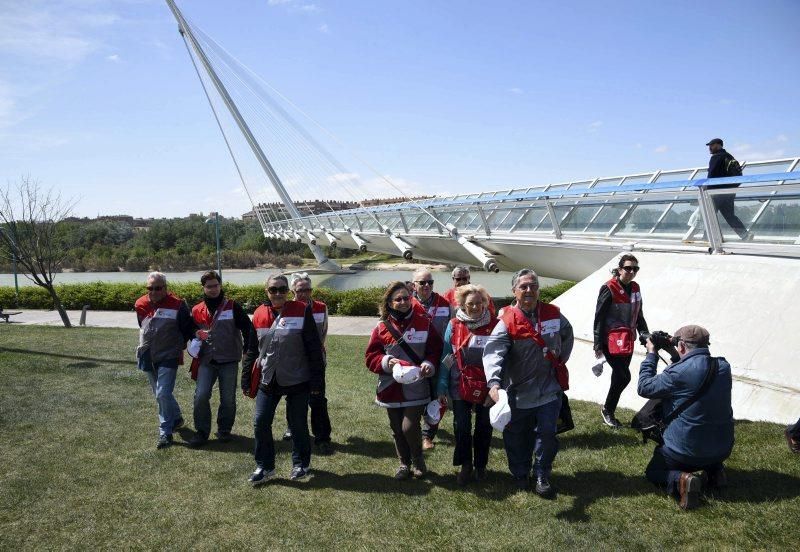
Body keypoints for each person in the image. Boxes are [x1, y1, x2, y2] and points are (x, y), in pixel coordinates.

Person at [483, 269, 574, 497]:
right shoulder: (506, 321)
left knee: (547, 435)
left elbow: (567, 334)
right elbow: (493, 353)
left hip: (548, 390)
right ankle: (520, 473)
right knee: (516, 436)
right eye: (523, 286)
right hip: (518, 392)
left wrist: (560, 360)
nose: (529, 290)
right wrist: (494, 383)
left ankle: (542, 474)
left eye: (533, 286)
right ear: (514, 291)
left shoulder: (553, 314)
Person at [638, 325, 734, 510]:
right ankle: (715, 471)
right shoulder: (723, 367)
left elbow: (644, 387)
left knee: (653, 471)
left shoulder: (679, 373)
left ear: (681, 346)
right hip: (722, 448)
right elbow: (691, 373)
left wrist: (651, 353)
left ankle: (682, 480)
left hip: (685, 452)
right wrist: (673, 351)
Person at [242, 274, 325, 486]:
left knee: (297, 423)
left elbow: (313, 348)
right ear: (266, 291)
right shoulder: (259, 314)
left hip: (297, 378)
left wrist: (316, 383)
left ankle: (301, 464)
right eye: (273, 289)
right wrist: (245, 377)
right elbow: (252, 349)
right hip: (268, 379)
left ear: (288, 291)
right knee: (261, 422)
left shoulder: (301, 310)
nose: (278, 293)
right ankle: (264, 465)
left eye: (282, 289)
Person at [365, 281, 443, 480]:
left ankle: (418, 460)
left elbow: (435, 350)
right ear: (389, 303)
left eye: (406, 298)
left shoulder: (423, 323)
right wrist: (387, 361)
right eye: (398, 299)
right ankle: (403, 464)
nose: (403, 302)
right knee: (396, 428)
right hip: (390, 387)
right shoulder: (382, 327)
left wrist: (429, 364)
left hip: (417, 385)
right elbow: (371, 356)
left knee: (409, 426)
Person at [436, 284, 498, 485]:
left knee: (483, 426)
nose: (476, 307)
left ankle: (481, 466)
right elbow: (447, 355)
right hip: (459, 383)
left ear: (485, 303)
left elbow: (502, 357)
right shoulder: (453, 325)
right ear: (462, 304)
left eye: (480, 303)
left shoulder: (495, 325)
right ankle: (465, 465)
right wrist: (442, 385)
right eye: (471, 303)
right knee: (461, 427)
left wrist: (497, 386)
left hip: (486, 385)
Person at [189, 270, 256, 447]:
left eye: (216, 285)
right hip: (206, 360)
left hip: (229, 360)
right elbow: (188, 329)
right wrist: (195, 333)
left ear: (220, 285)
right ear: (203, 288)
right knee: (201, 396)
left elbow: (248, 328)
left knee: (228, 398)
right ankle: (202, 432)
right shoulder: (196, 309)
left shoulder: (232, 306)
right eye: (209, 286)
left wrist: (247, 351)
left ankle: (224, 430)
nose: (213, 289)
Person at [134, 272, 197, 449]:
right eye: (150, 288)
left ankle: (165, 433)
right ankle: (176, 418)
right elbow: (142, 326)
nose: (153, 291)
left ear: (165, 288)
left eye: (158, 288)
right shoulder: (140, 304)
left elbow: (186, 328)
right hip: (147, 353)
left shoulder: (178, 305)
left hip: (169, 355)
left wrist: (190, 343)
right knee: (160, 393)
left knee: (162, 393)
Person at [593, 254, 649, 429]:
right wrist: (597, 343)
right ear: (619, 269)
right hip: (611, 341)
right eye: (628, 268)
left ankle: (608, 411)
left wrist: (644, 333)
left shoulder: (636, 288)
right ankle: (607, 410)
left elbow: (639, 314)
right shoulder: (609, 288)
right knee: (624, 376)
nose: (631, 272)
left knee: (619, 376)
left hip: (628, 341)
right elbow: (599, 317)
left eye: (635, 269)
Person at [280, 273, 333, 455]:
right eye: (300, 290)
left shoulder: (321, 307)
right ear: (293, 291)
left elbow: (323, 332)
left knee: (318, 399)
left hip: (316, 361)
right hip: (293, 362)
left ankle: (322, 438)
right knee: (293, 398)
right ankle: (291, 427)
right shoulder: (287, 308)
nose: (305, 293)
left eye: (308, 289)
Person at [410, 267, 450, 450]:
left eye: (430, 282)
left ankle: (428, 435)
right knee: (414, 396)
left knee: (436, 397)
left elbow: (453, 329)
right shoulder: (407, 303)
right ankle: (413, 429)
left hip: (439, 357)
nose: (427, 286)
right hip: (414, 358)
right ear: (413, 285)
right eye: (422, 282)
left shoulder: (444, 303)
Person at [706, 138, 751, 240]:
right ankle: (745, 235)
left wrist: (706, 191)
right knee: (730, 216)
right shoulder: (729, 156)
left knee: (710, 215)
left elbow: (711, 176)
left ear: (718, 145)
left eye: (711, 145)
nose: (710, 147)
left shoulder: (716, 157)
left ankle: (709, 238)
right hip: (729, 192)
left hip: (716, 192)